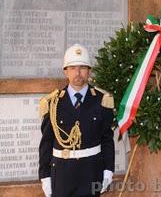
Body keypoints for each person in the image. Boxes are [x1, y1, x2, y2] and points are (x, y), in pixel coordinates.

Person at [38, 44, 115, 197]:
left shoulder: (102, 100)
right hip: (61, 175)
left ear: (89, 71)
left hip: (91, 172)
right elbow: (46, 142)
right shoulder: (52, 103)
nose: (78, 73)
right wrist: (45, 176)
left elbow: (107, 139)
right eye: (72, 68)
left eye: (82, 68)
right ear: (65, 71)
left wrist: (108, 170)